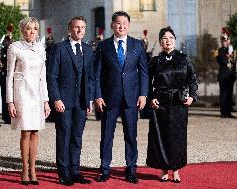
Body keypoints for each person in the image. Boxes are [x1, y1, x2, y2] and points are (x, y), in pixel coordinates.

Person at [94, 11, 149, 184]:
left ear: (128, 25)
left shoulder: (137, 45)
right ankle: (104, 169)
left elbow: (144, 73)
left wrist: (143, 94)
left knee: (131, 135)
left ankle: (131, 169)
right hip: (109, 98)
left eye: (124, 23)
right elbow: (96, 75)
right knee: (107, 135)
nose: (121, 26)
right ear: (112, 25)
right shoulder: (103, 46)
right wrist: (97, 95)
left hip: (131, 98)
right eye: (118, 23)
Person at [146, 26, 198, 183]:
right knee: (162, 136)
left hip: (178, 103)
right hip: (160, 103)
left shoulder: (184, 59)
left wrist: (193, 96)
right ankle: (163, 169)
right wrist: (150, 97)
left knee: (177, 137)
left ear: (175, 41)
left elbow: (192, 79)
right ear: (161, 42)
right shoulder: (156, 61)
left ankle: (175, 170)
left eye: (171, 38)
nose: (168, 41)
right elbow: (146, 81)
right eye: (164, 38)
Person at [48, 16, 94, 186]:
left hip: (81, 102)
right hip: (64, 101)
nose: (80, 30)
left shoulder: (88, 50)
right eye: (76, 27)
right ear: (70, 29)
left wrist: (88, 99)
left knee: (77, 137)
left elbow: (90, 78)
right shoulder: (59, 49)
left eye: (82, 27)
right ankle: (63, 172)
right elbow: (52, 76)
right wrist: (56, 98)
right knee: (64, 136)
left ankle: (75, 171)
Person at [6, 17, 50, 186]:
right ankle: (24, 169)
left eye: (35, 29)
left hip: (37, 94)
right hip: (22, 93)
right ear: (22, 30)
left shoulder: (40, 48)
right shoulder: (15, 47)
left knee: (35, 132)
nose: (31, 31)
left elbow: (43, 77)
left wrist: (46, 101)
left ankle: (33, 169)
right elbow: (9, 76)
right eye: (28, 28)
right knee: (25, 132)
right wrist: (10, 101)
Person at [216, 33, 236, 118]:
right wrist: (228, 55)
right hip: (223, 76)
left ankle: (228, 112)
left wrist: (234, 73)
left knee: (229, 94)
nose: (226, 42)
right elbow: (223, 62)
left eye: (227, 41)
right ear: (222, 42)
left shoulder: (231, 50)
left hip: (230, 75)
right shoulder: (219, 51)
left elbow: (233, 63)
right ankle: (223, 113)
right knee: (224, 94)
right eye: (224, 41)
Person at [0, 24, 13, 124]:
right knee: (5, 96)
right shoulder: (2, 51)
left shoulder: (14, 51)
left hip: (13, 76)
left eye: (10, 41)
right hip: (5, 74)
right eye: (7, 41)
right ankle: (6, 116)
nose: (9, 42)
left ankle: (12, 115)